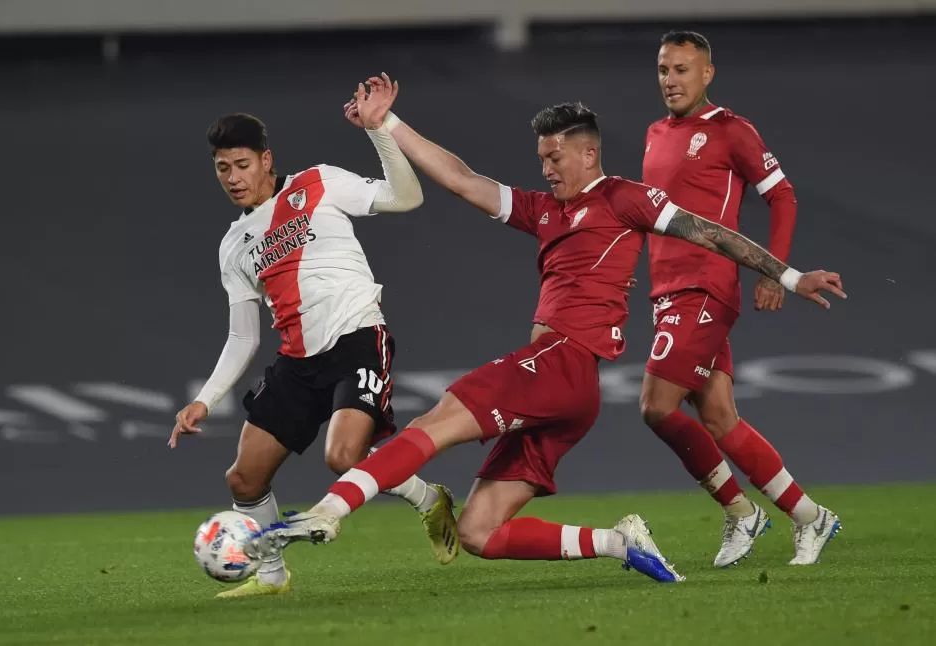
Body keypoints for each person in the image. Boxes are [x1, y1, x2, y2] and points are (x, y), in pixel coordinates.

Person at [244, 74, 845, 584]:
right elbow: (459, 178)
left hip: (562, 362)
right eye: (541, 160)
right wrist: (388, 124)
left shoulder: (625, 198)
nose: (547, 168)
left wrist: (790, 278)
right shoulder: (544, 211)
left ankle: (328, 511)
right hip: (565, 392)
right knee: (480, 532)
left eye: (555, 158)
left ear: (588, 153)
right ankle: (619, 543)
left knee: (436, 423)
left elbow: (713, 232)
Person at [169, 112, 459, 599]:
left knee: (344, 456)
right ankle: (271, 577)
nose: (234, 178)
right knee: (243, 478)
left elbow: (407, 196)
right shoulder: (233, 247)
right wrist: (205, 400)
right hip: (298, 361)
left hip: (359, 337)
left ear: (266, 160)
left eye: (242, 164)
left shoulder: (318, 183)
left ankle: (429, 498)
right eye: (223, 169)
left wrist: (377, 128)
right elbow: (243, 336)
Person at [640, 30, 841, 567]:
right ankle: (811, 517)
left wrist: (776, 272)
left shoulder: (731, 130)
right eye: (664, 69)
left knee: (656, 408)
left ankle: (740, 512)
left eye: (683, 69)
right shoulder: (655, 132)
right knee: (720, 418)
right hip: (667, 291)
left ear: (708, 74)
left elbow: (782, 195)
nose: (671, 80)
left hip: (706, 287)